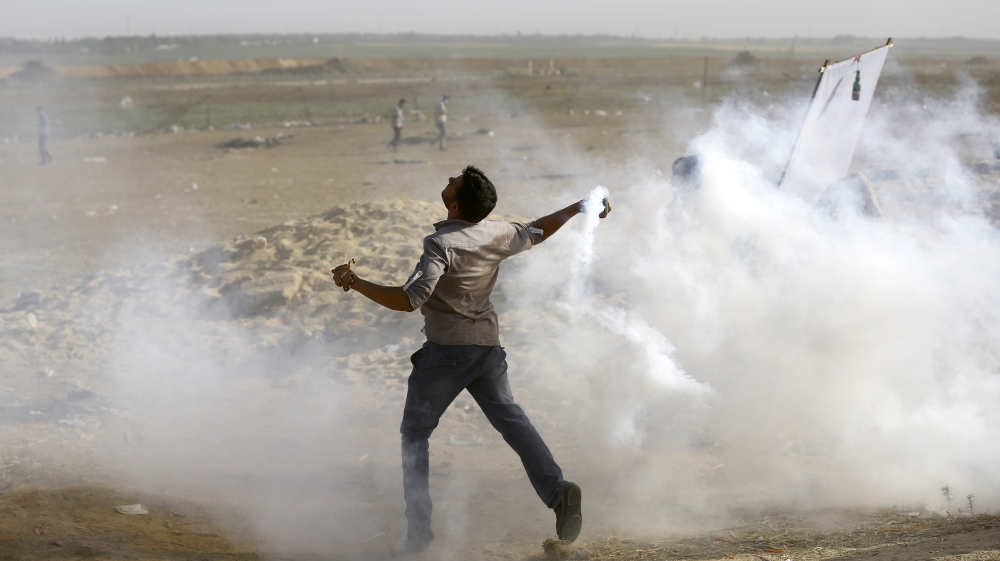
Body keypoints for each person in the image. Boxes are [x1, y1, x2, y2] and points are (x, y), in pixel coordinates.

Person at [331, 165, 611, 553]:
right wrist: (579, 207)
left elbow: (409, 300)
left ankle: (418, 534)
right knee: (514, 423)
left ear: (456, 202)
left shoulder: (439, 245)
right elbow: (538, 230)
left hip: (445, 354)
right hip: (487, 349)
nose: (448, 179)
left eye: (453, 182)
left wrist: (355, 282)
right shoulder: (496, 231)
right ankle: (559, 491)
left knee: (415, 435)